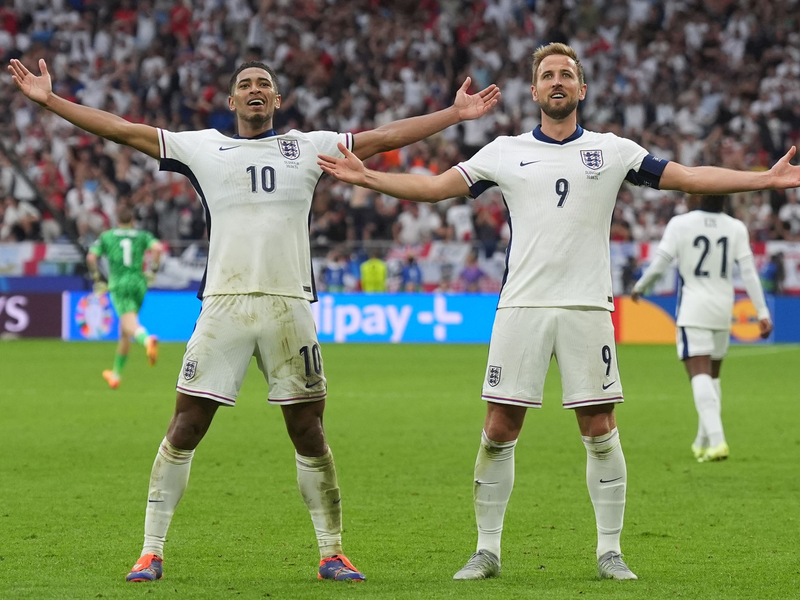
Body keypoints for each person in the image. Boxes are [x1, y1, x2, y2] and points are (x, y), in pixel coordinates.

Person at [318, 42, 800, 581]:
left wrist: (763, 178)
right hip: (521, 307)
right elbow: (434, 188)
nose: (557, 82)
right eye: (547, 74)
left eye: (566, 75)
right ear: (534, 90)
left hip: (586, 307)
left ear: (581, 89)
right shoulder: (504, 151)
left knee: (600, 427)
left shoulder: (613, 150)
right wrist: (369, 177)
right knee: (499, 426)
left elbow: (687, 176)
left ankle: (610, 551)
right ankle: (487, 549)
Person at [8, 57, 499, 583]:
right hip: (224, 305)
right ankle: (151, 551)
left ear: (278, 99)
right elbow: (123, 130)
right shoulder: (202, 147)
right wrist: (51, 102)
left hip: (290, 307)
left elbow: (381, 138)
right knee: (186, 426)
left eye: (264, 84)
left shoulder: (309, 147)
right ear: (232, 101)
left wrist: (452, 114)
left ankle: (332, 552)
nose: (255, 90)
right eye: (245, 85)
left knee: (308, 430)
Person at [631, 194, 773, 462]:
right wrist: (762, 312)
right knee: (713, 376)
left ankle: (718, 441)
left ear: (697, 196)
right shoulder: (735, 227)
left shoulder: (680, 223)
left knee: (699, 375)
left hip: (693, 309)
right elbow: (749, 272)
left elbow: (660, 264)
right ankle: (702, 442)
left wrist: (640, 287)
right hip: (723, 309)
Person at [87, 205, 162, 389]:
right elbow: (158, 248)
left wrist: (97, 279)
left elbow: (91, 257)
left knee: (130, 323)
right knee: (124, 331)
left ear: (117, 221)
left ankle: (147, 340)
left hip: (119, 284)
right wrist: (152, 271)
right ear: (133, 221)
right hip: (139, 282)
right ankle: (116, 375)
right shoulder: (142, 235)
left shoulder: (107, 236)